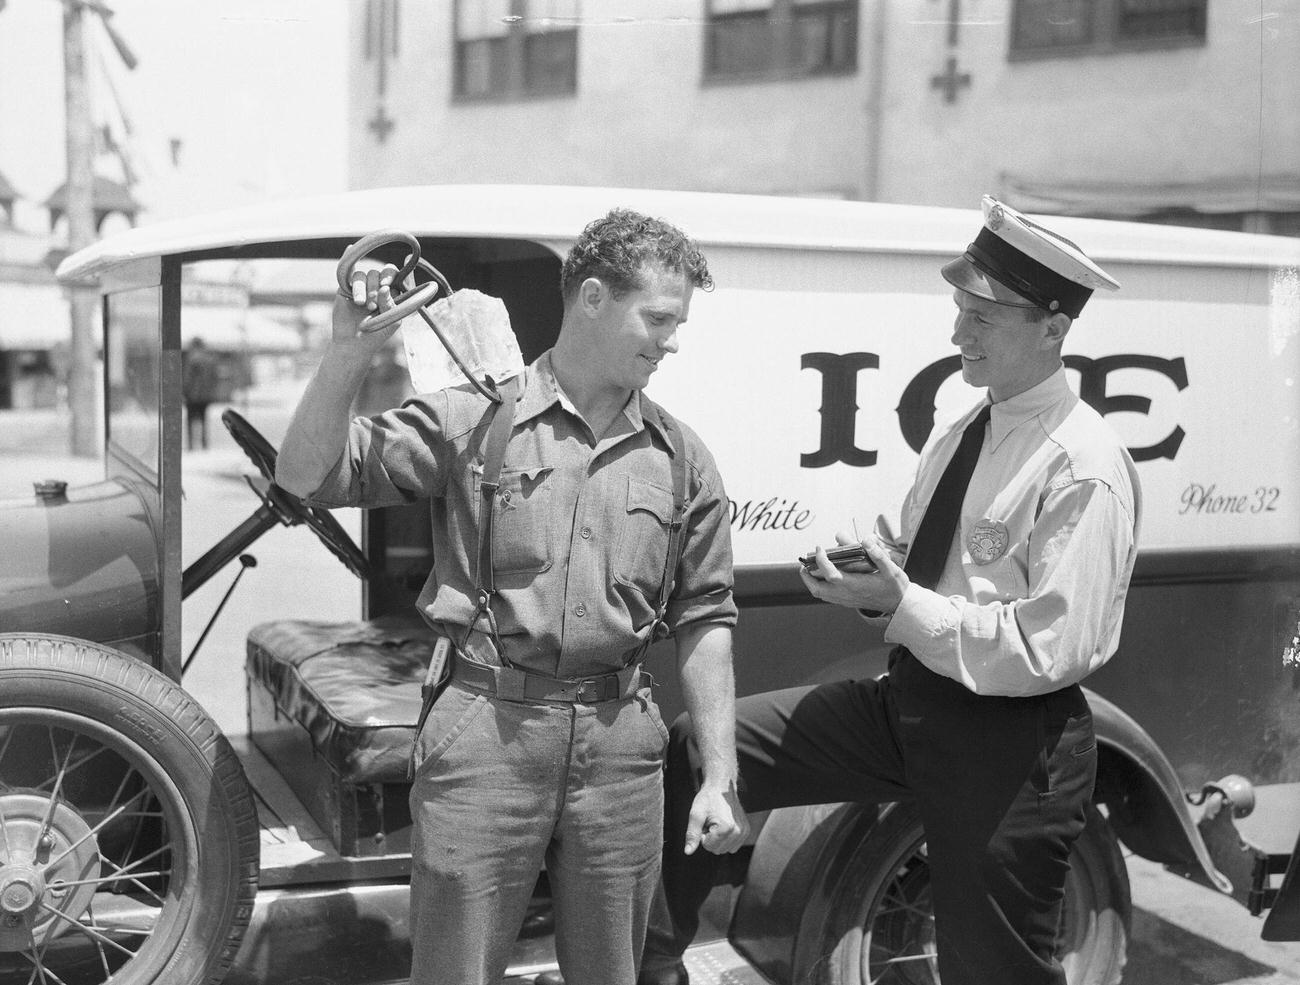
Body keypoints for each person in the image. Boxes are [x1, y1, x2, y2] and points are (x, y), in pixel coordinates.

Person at [640, 196, 1140, 985]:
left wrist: (902, 602)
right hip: (911, 704)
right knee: (702, 745)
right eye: (958, 309)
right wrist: (873, 576)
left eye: (984, 315)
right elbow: (940, 573)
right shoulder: (967, 428)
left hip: (1009, 745)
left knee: (991, 972)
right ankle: (651, 967)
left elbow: (1049, 646)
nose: (957, 333)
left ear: (1053, 327)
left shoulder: (1082, 463)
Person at [275, 208, 748, 985]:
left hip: (621, 746)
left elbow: (706, 618)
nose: (670, 340)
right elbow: (307, 477)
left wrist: (720, 773)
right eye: (659, 318)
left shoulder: (681, 456)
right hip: (486, 734)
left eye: (677, 323)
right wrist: (344, 357)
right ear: (592, 298)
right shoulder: (476, 416)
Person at [181, 337, 220, 450]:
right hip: (203, 396)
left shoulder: (189, 359)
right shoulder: (208, 360)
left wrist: (184, 391)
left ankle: (191, 444)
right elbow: (213, 378)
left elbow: (187, 379)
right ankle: (203, 443)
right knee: (203, 419)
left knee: (190, 420)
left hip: (192, 396)